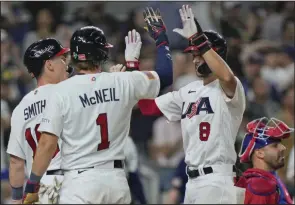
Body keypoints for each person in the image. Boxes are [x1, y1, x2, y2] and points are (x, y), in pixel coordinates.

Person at [22, 21, 172, 204]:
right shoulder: (121, 81)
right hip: (116, 181)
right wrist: (161, 39)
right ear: (102, 54)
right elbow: (165, 75)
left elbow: (47, 143)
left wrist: (33, 183)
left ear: (75, 57)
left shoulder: (61, 91)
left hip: (80, 183)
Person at [138, 5, 246, 203]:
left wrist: (199, 39)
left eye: (199, 54)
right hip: (192, 182)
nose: (195, 59)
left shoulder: (230, 87)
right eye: (193, 54)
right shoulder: (188, 90)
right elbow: (147, 107)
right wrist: (135, 69)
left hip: (218, 179)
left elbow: (226, 76)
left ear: (215, 54)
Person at [6, 38, 72, 204]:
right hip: (70, 183)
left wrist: (16, 199)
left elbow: (16, 162)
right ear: (49, 65)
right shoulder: (69, 94)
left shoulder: (20, 109)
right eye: (62, 59)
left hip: (37, 189)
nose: (67, 66)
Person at [235, 117, 294, 204]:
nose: (283, 148)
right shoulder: (259, 185)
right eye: (275, 145)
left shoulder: (268, 178)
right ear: (260, 153)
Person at [124, 136, 147, 204]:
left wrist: (131, 171)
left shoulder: (127, 140)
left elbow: (133, 160)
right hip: (112, 174)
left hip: (128, 173)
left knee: (139, 196)